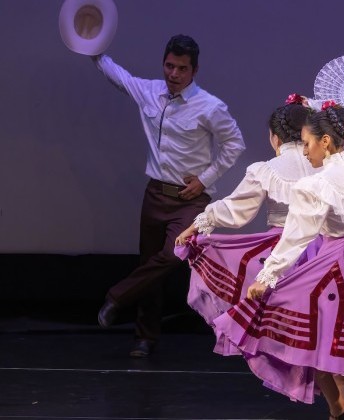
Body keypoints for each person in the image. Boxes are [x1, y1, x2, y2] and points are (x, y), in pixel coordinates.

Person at [213, 94, 344, 420]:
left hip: (338, 260)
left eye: (309, 143)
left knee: (319, 340)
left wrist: (268, 276)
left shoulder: (318, 184)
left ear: (325, 142)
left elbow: (297, 234)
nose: (305, 150)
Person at [94, 34, 246, 358]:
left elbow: (235, 143)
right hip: (156, 194)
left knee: (171, 255)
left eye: (181, 68)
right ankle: (145, 337)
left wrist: (205, 180)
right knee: (150, 263)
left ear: (194, 70)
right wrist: (93, 50)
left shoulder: (210, 106)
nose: (173, 73)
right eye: (169, 65)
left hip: (191, 199)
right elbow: (118, 75)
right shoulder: (149, 91)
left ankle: (116, 297)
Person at [173, 95, 321, 356]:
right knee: (323, 326)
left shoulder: (268, 169)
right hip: (325, 252)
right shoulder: (329, 165)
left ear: (275, 137)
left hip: (281, 252)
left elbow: (236, 209)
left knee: (279, 329)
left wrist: (197, 225)